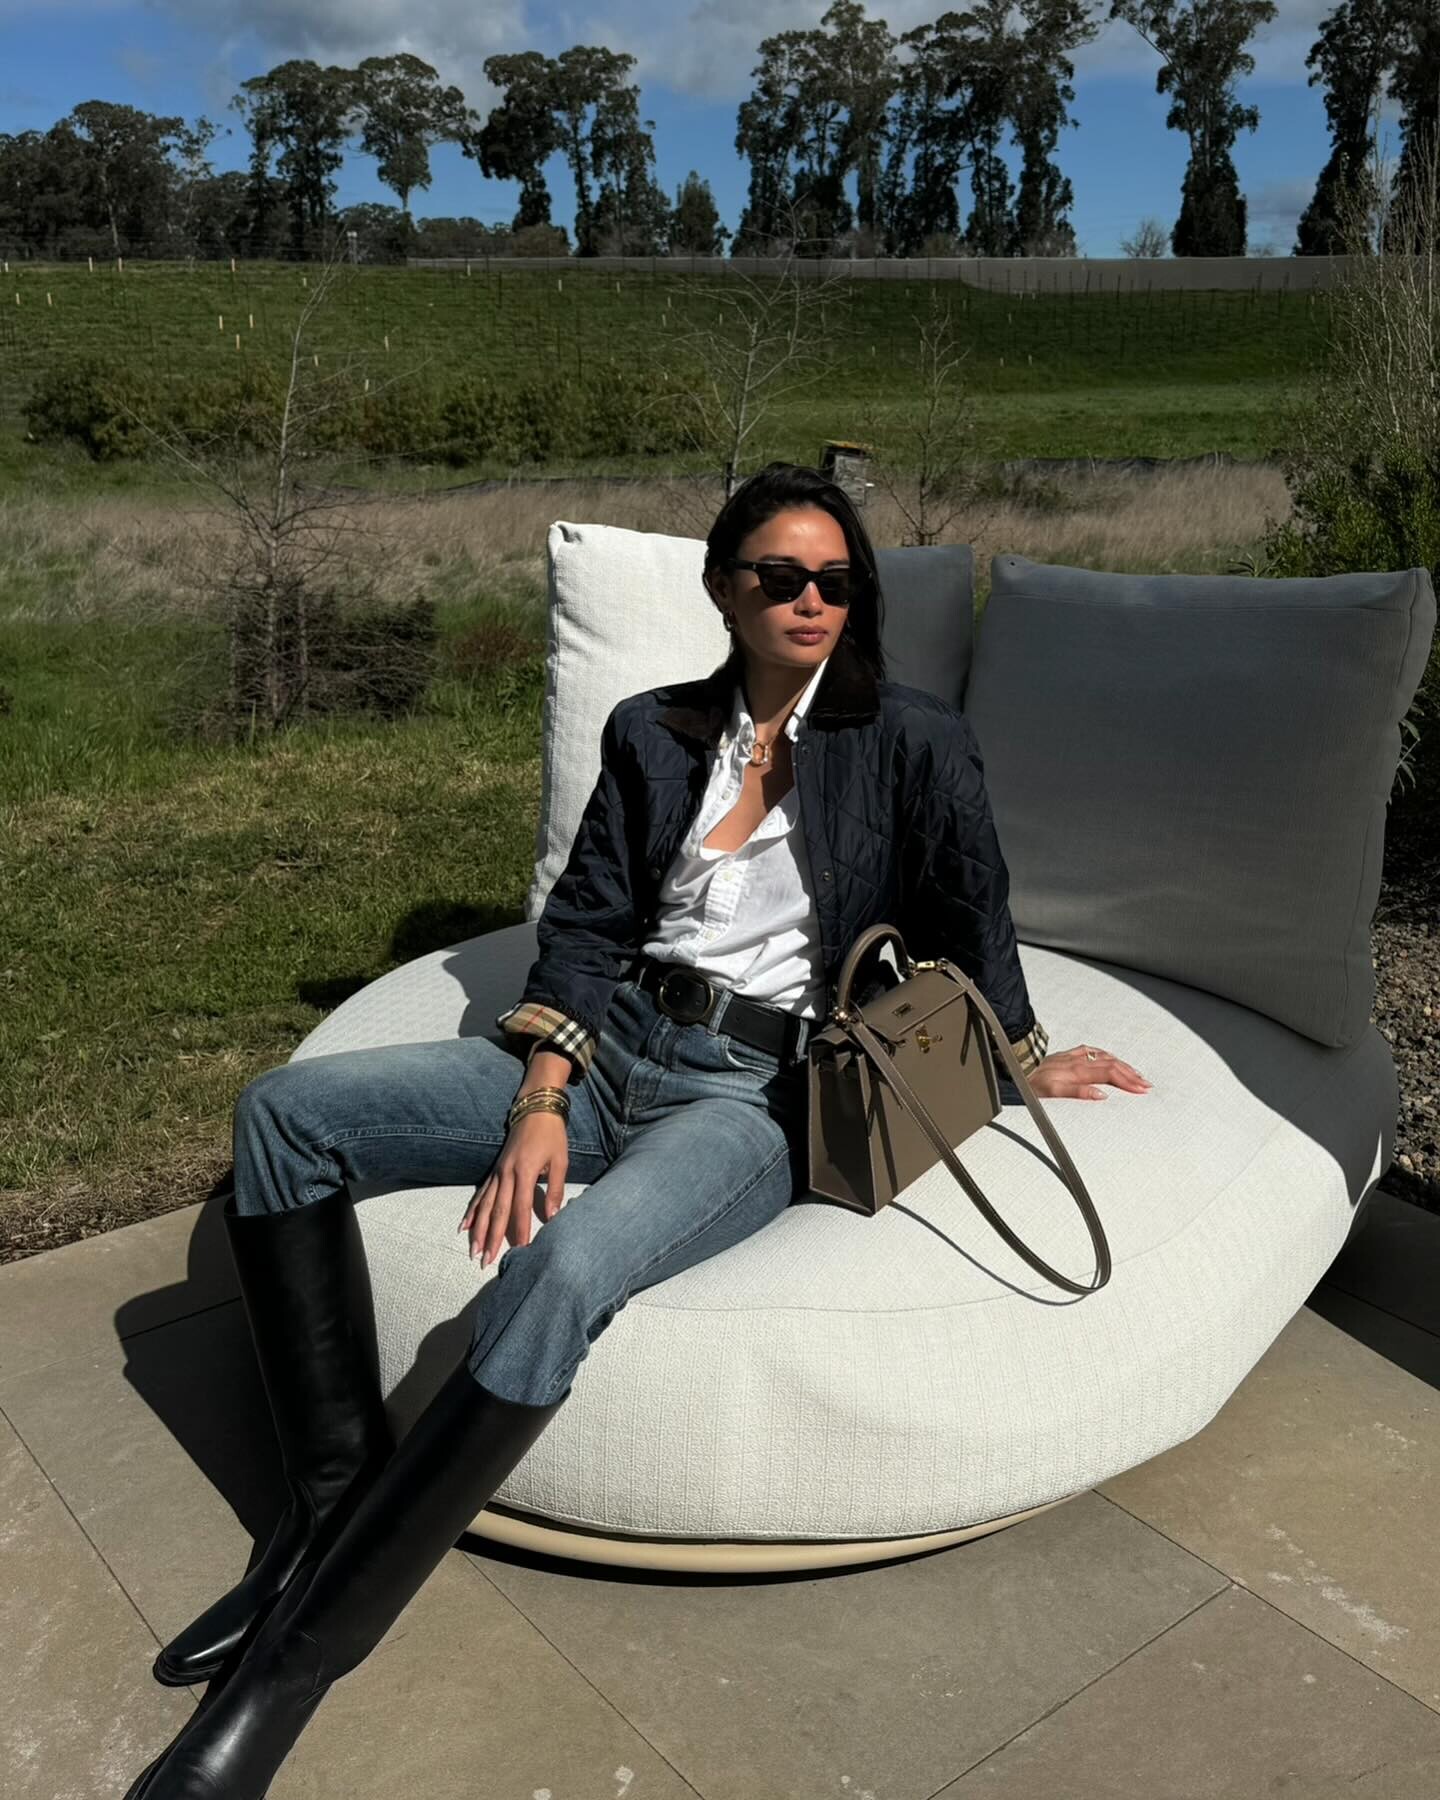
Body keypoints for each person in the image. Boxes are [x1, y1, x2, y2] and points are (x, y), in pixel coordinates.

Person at [122, 461, 1150, 1798]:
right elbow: (590, 923)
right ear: (726, 588)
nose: (812, 600)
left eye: (837, 580)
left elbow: (972, 905)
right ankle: (322, 1519)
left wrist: (1018, 1058)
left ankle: (286, 1679)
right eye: (781, 575)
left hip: (750, 1096)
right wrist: (543, 1095)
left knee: (564, 1270)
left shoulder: (909, 739)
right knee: (281, 1117)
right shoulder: (653, 732)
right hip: (610, 1052)